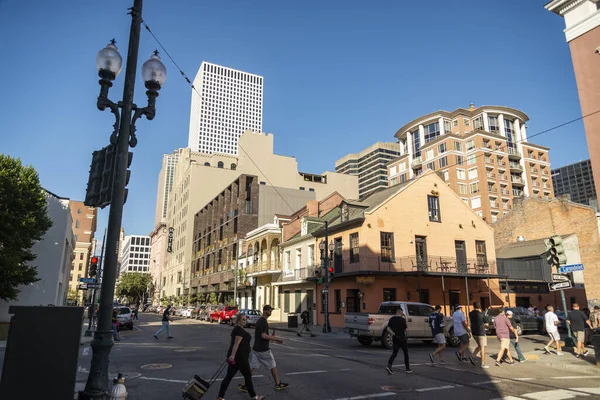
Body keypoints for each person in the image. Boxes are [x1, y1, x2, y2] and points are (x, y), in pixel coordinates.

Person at [238, 305, 289, 393]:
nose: (271, 312)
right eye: (269, 310)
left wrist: (271, 337)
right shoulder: (263, 322)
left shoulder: (260, 321)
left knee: (252, 367)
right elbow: (263, 336)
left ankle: (244, 385)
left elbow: (263, 334)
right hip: (263, 350)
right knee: (273, 365)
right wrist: (276, 339)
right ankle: (277, 384)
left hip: (256, 349)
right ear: (265, 311)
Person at [216, 313, 265, 400]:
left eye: (245, 319)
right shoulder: (239, 330)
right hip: (240, 358)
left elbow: (234, 344)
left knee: (229, 377)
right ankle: (254, 396)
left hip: (236, 358)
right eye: (242, 319)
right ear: (238, 321)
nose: (244, 321)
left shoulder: (237, 329)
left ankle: (220, 397)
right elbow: (236, 344)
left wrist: (231, 356)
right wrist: (232, 355)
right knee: (248, 376)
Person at [385, 307, 411, 374]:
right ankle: (407, 368)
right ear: (401, 312)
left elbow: (388, 328)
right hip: (402, 338)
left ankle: (389, 365)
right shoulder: (402, 320)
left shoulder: (392, 319)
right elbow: (406, 329)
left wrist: (393, 333)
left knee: (394, 353)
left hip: (395, 337)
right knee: (405, 353)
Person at [469, 302, 489, 368]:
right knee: (483, 347)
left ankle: (473, 355)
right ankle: (483, 363)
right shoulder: (482, 314)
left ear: (473, 306)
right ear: (480, 306)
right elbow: (486, 324)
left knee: (480, 346)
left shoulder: (470, 314)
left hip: (474, 332)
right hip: (481, 332)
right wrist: (484, 326)